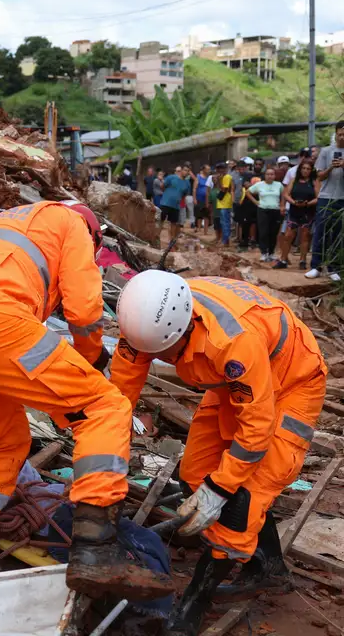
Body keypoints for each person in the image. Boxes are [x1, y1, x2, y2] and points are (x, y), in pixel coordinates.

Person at [0, 200, 173, 600]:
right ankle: (95, 548)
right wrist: (91, 359)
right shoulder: (72, 224)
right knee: (104, 408)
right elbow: (84, 311)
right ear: (94, 235)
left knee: (0, 441)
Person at [111, 272, 326, 636]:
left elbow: (255, 431)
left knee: (244, 499)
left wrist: (220, 489)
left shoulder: (232, 343)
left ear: (184, 331)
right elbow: (119, 395)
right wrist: (107, 463)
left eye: (162, 355)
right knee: (195, 472)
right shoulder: (142, 324)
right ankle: (270, 567)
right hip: (234, 383)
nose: (155, 359)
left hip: (291, 379)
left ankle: (196, 601)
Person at [305, 123, 344, 281]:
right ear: (336, 134)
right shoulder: (326, 151)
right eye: (340, 134)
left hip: (342, 199)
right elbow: (319, 176)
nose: (342, 137)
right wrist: (331, 167)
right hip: (326, 197)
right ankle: (316, 266)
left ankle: (334, 268)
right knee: (320, 231)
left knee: (338, 234)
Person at [274, 160, 319, 269]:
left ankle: (302, 261)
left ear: (311, 170)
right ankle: (283, 260)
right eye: (303, 168)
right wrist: (293, 202)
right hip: (294, 211)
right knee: (288, 236)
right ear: (300, 169)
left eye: (308, 169)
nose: (305, 171)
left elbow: (318, 197)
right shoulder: (294, 180)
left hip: (308, 212)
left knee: (305, 236)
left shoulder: (314, 181)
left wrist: (307, 203)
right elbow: (286, 194)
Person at [246, 167, 284, 262]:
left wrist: (282, 205)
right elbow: (248, 192)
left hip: (275, 210)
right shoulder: (259, 185)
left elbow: (283, 195)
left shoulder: (279, 185)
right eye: (268, 174)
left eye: (272, 174)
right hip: (263, 210)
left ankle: (271, 253)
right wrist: (256, 202)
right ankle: (264, 252)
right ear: (265, 175)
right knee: (263, 232)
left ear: (274, 176)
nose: (270, 176)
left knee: (273, 232)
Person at [160, 165, 190, 242]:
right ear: (181, 170)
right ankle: (156, 238)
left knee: (173, 223)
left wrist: (178, 198)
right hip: (165, 203)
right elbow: (162, 186)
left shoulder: (187, 183)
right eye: (185, 170)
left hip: (176, 206)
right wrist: (167, 195)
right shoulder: (171, 177)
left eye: (188, 171)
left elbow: (184, 194)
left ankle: (171, 241)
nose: (186, 172)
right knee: (161, 220)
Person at [235, 160, 257, 252]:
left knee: (249, 222)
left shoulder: (248, 175)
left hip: (249, 201)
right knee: (242, 222)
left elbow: (248, 186)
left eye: (242, 168)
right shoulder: (236, 176)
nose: (241, 170)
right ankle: (242, 240)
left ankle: (248, 241)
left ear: (246, 167)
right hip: (241, 201)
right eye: (239, 169)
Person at [213, 162, 234, 246]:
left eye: (222, 168)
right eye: (218, 169)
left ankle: (225, 241)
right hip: (223, 203)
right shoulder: (223, 177)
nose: (220, 170)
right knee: (223, 222)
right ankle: (225, 241)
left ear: (226, 169)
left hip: (226, 202)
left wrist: (218, 181)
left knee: (225, 222)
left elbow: (224, 189)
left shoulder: (227, 177)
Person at [195, 164, 211, 234]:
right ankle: (199, 229)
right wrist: (194, 198)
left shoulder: (210, 178)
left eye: (209, 169)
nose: (209, 171)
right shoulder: (198, 177)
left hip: (207, 199)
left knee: (206, 215)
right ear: (203, 170)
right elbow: (194, 189)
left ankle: (205, 231)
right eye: (207, 169)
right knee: (199, 215)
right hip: (199, 198)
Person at [181, 162, 196, 229]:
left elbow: (195, 179)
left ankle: (192, 222)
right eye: (187, 166)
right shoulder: (182, 174)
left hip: (189, 194)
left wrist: (190, 172)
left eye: (189, 166)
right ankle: (182, 222)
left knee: (190, 209)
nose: (188, 167)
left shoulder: (191, 174)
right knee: (182, 209)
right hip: (182, 195)